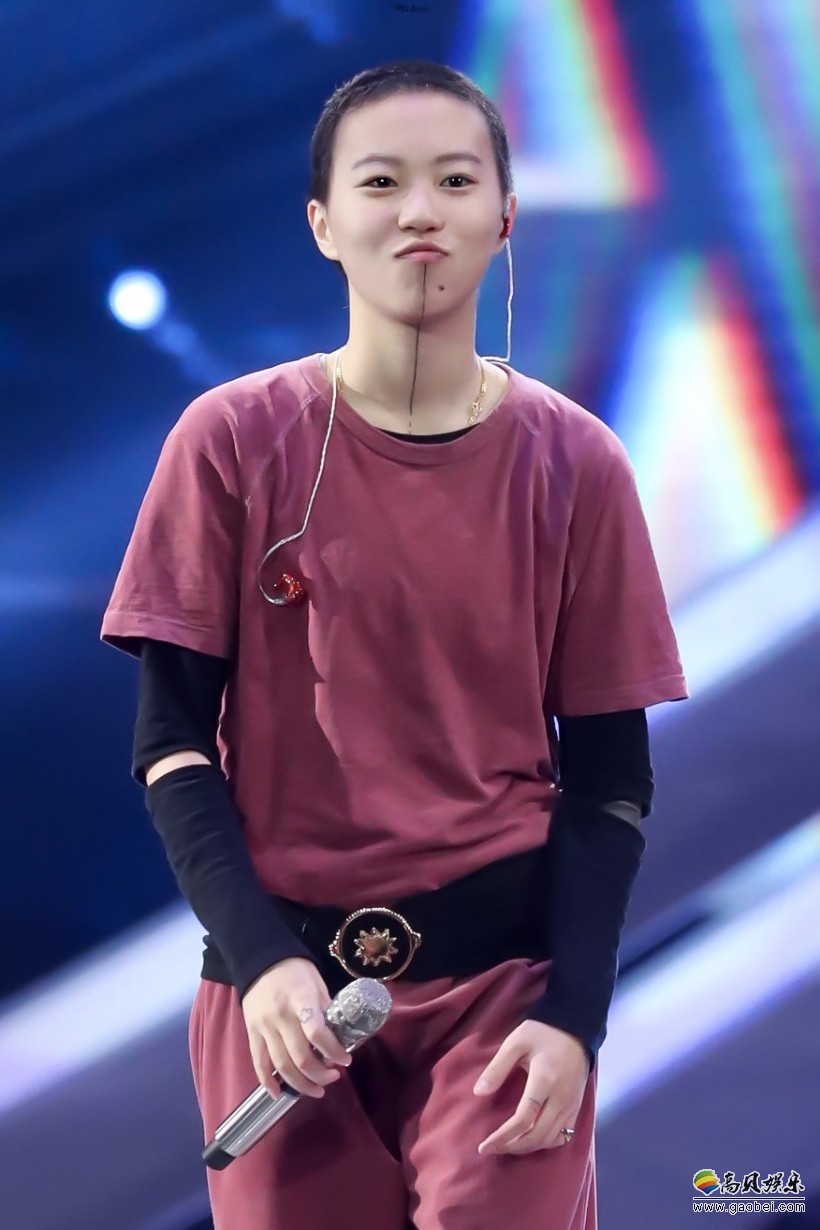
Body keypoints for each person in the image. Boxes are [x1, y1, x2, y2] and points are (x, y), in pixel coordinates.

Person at [100, 59, 688, 1230]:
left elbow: (611, 779)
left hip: (505, 995)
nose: (420, 210)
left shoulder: (576, 464)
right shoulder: (229, 441)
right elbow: (172, 746)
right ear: (323, 223)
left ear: (504, 218)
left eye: (455, 181)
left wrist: (574, 1018)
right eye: (381, 182)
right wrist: (261, 961)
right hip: (280, 997)